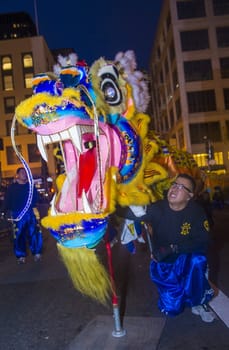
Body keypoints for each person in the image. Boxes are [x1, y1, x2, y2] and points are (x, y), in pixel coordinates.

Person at [116, 173, 216, 322]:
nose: (175, 189)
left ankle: (199, 302)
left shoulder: (196, 212)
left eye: (181, 187)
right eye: (174, 184)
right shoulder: (157, 208)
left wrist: (172, 248)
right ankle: (177, 293)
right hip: (164, 264)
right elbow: (130, 213)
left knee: (198, 260)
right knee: (172, 309)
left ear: (189, 196)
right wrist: (108, 203)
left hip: (186, 259)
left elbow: (203, 240)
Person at [4, 167, 43, 264]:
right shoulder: (12, 188)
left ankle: (37, 253)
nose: (24, 174)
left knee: (33, 233)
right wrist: (3, 211)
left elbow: (36, 198)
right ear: (17, 175)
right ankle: (21, 256)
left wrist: (34, 203)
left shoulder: (30, 186)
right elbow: (7, 200)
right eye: (22, 172)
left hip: (29, 213)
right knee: (18, 235)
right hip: (17, 214)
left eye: (25, 172)